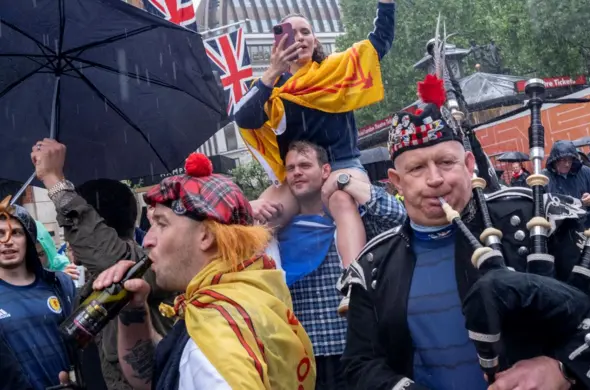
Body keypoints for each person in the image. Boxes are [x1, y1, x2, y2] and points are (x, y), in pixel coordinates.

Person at [341, 100, 590, 390]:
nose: (434, 179)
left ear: (469, 164)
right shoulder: (374, 265)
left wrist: (563, 367)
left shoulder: (531, 217)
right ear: (396, 181)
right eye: (416, 168)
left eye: (446, 162)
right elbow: (361, 363)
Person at [62, 153, 316, 390]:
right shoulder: (245, 294)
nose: (148, 240)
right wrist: (134, 311)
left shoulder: (216, 338)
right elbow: (165, 372)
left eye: (161, 224)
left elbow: (200, 361)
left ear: (205, 236)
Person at [235, 0, 396, 310]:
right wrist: (272, 72)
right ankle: (262, 292)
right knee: (261, 212)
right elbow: (244, 118)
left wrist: (386, 4)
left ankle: (354, 282)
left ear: (315, 40)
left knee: (339, 197)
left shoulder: (336, 70)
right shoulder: (272, 87)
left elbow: (379, 43)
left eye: (305, 31)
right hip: (298, 173)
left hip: (340, 163)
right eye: (290, 34)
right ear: (278, 43)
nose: (299, 38)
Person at [31, 139, 176, 390]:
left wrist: (55, 181)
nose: (70, 238)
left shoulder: (139, 271)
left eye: (70, 229)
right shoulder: (91, 286)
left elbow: (110, 258)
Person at [264, 141, 404, 388]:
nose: (297, 172)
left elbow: (399, 218)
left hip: (356, 351)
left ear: (326, 170)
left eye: (305, 165)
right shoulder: (276, 230)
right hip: (302, 359)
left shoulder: (354, 220)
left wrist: (347, 183)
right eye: (291, 168)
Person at [0, 197, 77, 390]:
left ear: (29, 239)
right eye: (0, 234)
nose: (7, 241)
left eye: (16, 232)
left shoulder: (59, 284)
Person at [543, 140, 590, 229]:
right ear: (555, 160)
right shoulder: (543, 178)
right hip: (558, 232)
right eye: (563, 160)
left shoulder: (586, 172)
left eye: (570, 160)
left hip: (588, 227)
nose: (567, 164)